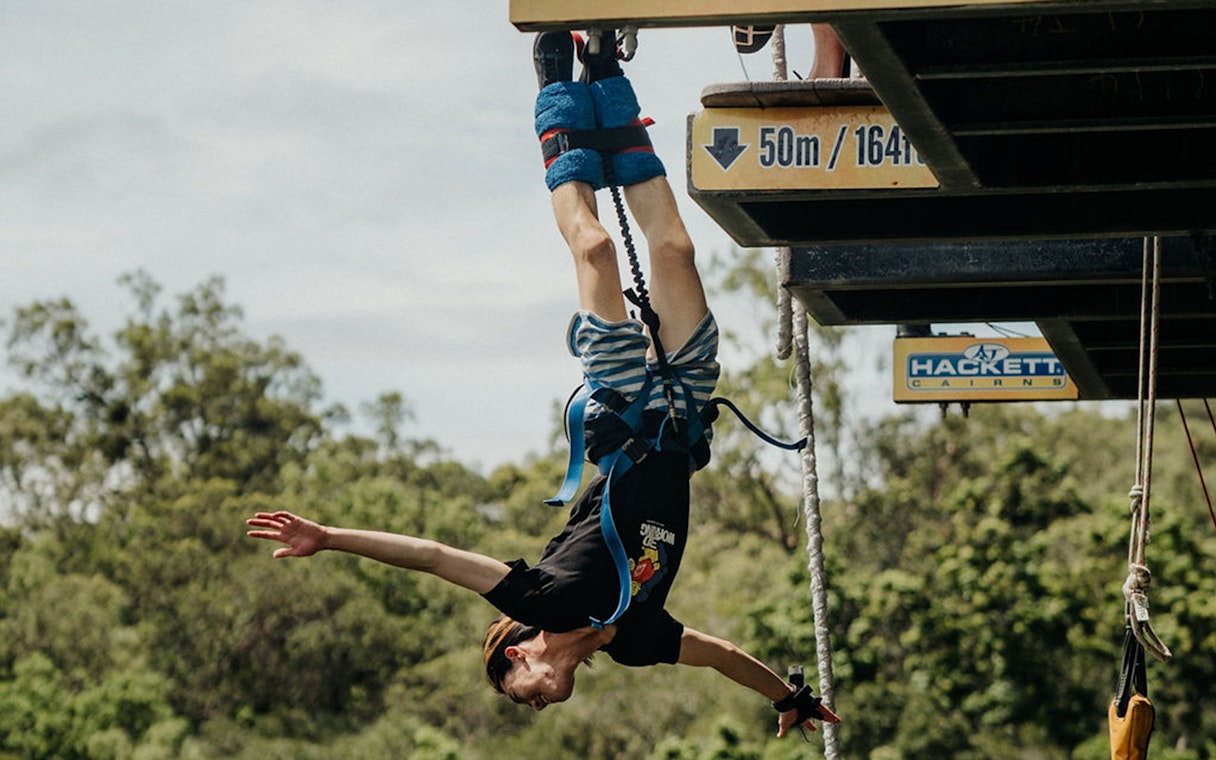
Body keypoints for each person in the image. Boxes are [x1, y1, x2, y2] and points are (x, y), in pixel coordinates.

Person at [246, 29, 840, 739]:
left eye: (513, 685)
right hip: (680, 418)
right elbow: (722, 657)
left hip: (623, 406)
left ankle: (555, 93)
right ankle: (608, 81)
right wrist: (786, 697)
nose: (524, 699)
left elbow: (432, 557)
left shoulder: (543, 595)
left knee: (594, 247)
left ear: (520, 649)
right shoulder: (635, 640)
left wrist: (330, 537)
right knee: (675, 248)